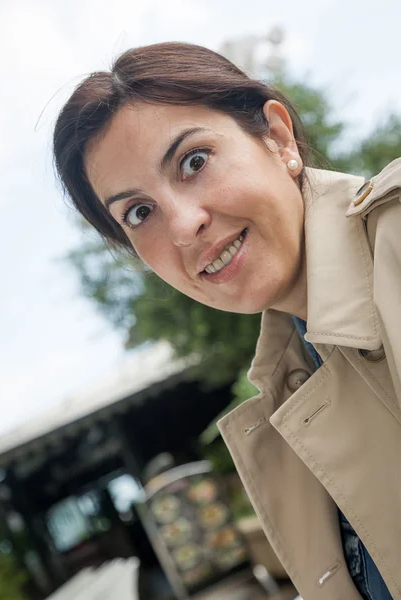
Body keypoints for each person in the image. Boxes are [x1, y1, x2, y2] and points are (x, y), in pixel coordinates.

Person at [52, 42, 401, 600]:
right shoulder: (290, 373)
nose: (184, 225)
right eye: (140, 213)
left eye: (194, 161)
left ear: (278, 138)